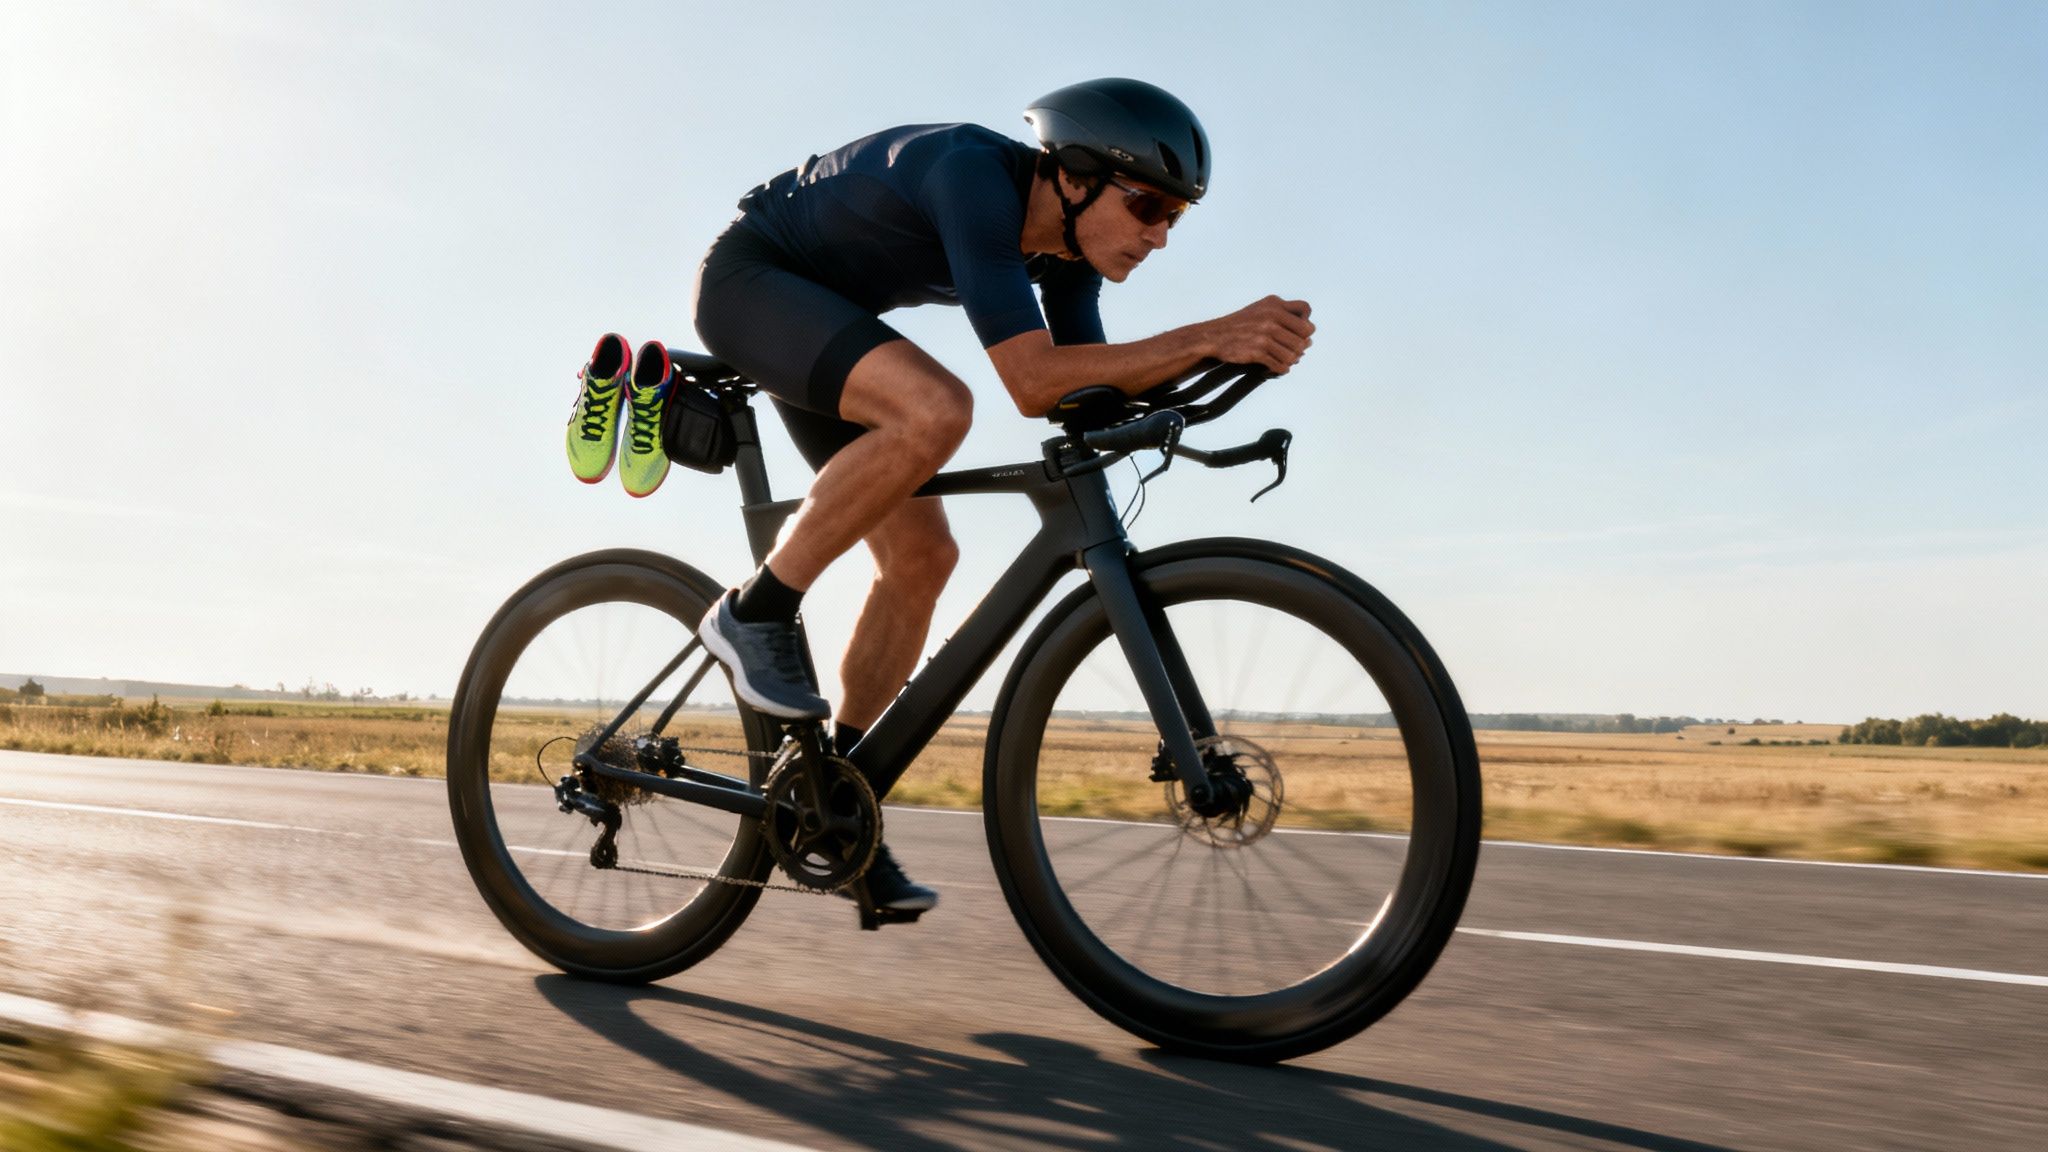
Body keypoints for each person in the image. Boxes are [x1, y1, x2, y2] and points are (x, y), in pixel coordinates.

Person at [687, 79, 1314, 914]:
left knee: (923, 557)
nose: (1160, 236)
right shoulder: (974, 176)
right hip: (751, 284)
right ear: (1077, 174)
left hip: (824, 316)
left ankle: (831, 805)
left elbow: (1086, 390)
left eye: (1177, 218)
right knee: (939, 409)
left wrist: (1219, 368)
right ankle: (755, 612)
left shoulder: (1065, 260)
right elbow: (1030, 381)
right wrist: (1207, 333)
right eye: (1150, 206)